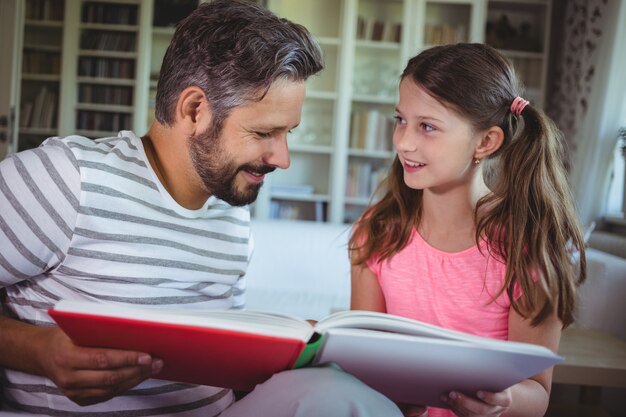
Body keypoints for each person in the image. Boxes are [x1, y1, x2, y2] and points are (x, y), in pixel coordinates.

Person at [0, 1, 406, 416]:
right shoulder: (67, 179)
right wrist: (38, 350)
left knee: (336, 393)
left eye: (288, 132)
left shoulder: (231, 209)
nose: (282, 158)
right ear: (194, 110)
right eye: (264, 132)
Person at [349, 43, 587, 417]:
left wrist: (504, 401)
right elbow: (365, 355)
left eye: (427, 126)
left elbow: (537, 393)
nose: (402, 141)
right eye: (400, 120)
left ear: (486, 142)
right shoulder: (376, 232)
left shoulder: (525, 248)